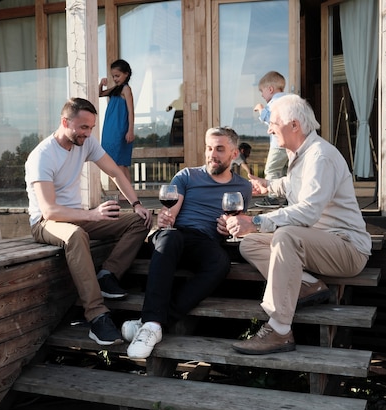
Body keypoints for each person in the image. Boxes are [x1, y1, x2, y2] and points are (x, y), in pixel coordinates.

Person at [225, 94, 372, 355]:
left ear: (294, 125)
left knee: (286, 236)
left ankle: (280, 330)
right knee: (250, 244)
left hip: (347, 248)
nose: (269, 128)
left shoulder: (320, 156)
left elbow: (307, 212)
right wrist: (267, 185)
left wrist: (257, 221)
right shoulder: (300, 155)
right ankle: (306, 283)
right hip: (317, 244)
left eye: (274, 122)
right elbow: (293, 185)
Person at [25, 97, 152, 346]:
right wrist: (93, 214)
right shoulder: (42, 156)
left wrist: (136, 204)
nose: (88, 133)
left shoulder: (86, 143)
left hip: (77, 216)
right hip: (45, 222)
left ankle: (108, 274)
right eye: (83, 127)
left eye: (91, 127)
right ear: (65, 122)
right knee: (75, 235)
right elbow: (49, 211)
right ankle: (97, 316)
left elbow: (115, 171)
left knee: (139, 221)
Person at [121, 126, 252, 359]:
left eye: (219, 149)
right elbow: (171, 211)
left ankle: (151, 324)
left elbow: (237, 221)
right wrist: (165, 218)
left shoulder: (243, 187)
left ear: (234, 154)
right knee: (170, 238)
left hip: (205, 241)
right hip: (175, 235)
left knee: (221, 262)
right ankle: (152, 322)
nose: (212, 154)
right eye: (209, 148)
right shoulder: (187, 176)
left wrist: (228, 227)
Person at [253, 71, 289, 207]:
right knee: (288, 171)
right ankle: (289, 197)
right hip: (291, 145)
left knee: (272, 170)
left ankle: (273, 197)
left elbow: (269, 119)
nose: (262, 95)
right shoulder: (289, 100)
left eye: (262, 91)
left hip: (278, 145)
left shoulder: (274, 103)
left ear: (270, 89)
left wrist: (261, 109)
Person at [99, 59, 135, 183]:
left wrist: (130, 130)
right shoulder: (115, 89)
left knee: (119, 161)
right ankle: (127, 192)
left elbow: (131, 111)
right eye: (113, 76)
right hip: (110, 128)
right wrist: (101, 84)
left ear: (126, 74)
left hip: (120, 129)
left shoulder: (126, 89)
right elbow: (100, 94)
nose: (115, 79)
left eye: (117, 76)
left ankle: (126, 192)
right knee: (117, 162)